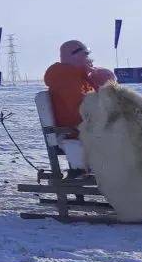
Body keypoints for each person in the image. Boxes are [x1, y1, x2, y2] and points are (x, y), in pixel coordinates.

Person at [44, 40, 116, 179]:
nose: (89, 59)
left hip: (83, 127)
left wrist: (95, 80)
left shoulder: (77, 77)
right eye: (85, 55)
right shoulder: (65, 76)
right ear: (73, 56)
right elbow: (80, 107)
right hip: (75, 130)